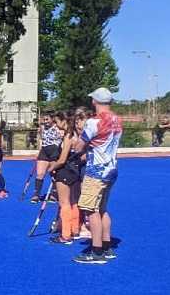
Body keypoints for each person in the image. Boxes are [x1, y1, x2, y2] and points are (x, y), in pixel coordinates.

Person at [73, 88, 122, 264]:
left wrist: (77, 142)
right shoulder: (117, 120)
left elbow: (80, 146)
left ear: (94, 101)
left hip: (96, 171)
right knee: (102, 208)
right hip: (111, 168)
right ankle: (106, 246)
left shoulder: (93, 122)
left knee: (90, 209)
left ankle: (96, 251)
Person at [47, 112, 83, 245]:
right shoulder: (77, 135)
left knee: (64, 203)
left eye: (57, 122)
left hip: (65, 171)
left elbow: (62, 159)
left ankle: (66, 235)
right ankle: (75, 230)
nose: (56, 125)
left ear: (64, 121)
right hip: (75, 170)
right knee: (74, 201)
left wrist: (50, 168)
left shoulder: (68, 136)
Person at [31, 114, 63, 203]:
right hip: (44, 151)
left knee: (53, 173)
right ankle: (36, 194)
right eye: (44, 119)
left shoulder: (58, 127)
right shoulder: (42, 128)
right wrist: (39, 151)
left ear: (52, 119)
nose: (46, 121)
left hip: (55, 150)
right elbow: (42, 139)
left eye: (47, 119)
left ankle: (54, 194)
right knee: (40, 173)